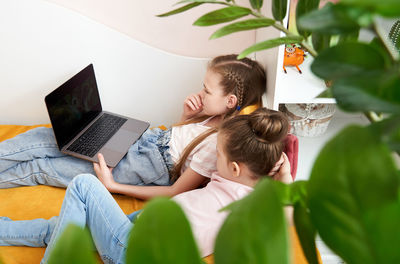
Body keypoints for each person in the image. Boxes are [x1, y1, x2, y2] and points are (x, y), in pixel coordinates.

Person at [0, 108, 292, 264]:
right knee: (63, 227)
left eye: (218, 154)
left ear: (236, 169)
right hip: (137, 232)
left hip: (131, 250)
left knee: (83, 184)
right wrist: (284, 173)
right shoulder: (253, 192)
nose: (214, 157)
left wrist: (286, 176)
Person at [0, 55, 267, 199]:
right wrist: (186, 117)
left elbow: (174, 190)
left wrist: (112, 185)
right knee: (46, 137)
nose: (200, 93)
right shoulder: (213, 117)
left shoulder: (218, 147)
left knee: (41, 167)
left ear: (230, 101)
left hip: (142, 167)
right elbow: (180, 143)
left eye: (207, 91)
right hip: (146, 142)